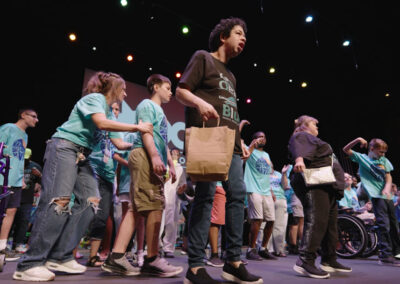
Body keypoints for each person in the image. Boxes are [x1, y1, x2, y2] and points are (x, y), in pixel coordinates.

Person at [13, 71, 153, 281]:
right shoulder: (94, 99)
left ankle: (60, 256)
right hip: (64, 147)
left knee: (91, 202)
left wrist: (143, 141)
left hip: (81, 155)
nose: (125, 94)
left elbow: (120, 144)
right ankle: (29, 263)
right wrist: (136, 126)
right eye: (123, 89)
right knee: (58, 202)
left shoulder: (110, 114)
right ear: (113, 88)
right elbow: (101, 124)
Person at [176, 17, 262, 284]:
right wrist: (200, 104)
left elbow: (231, 112)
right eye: (238, 33)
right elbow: (181, 91)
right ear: (223, 36)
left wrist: (240, 143)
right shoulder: (203, 58)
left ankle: (233, 261)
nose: (243, 38)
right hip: (208, 138)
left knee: (237, 197)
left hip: (231, 143)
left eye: (244, 35)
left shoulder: (232, 75)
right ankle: (195, 266)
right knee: (206, 196)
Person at [102, 74, 183, 278]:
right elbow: (146, 133)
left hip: (152, 156)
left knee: (138, 207)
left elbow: (162, 140)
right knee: (154, 204)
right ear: (155, 87)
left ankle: (118, 256)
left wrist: (170, 165)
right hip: (145, 154)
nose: (170, 91)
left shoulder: (161, 113)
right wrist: (155, 156)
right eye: (167, 87)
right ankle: (151, 259)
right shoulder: (147, 105)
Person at [288, 115, 351, 279]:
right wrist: (299, 160)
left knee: (330, 224)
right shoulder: (301, 135)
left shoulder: (314, 140)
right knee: (316, 221)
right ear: (304, 126)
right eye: (314, 124)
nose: (317, 127)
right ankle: (305, 260)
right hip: (314, 184)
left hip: (327, 185)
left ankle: (329, 259)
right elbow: (298, 147)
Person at [85, 102, 132, 267]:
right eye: (112, 108)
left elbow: (119, 149)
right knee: (84, 212)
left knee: (103, 215)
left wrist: (138, 145)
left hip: (109, 175)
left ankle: (93, 256)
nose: (114, 111)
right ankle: (69, 254)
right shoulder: (98, 123)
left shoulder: (119, 132)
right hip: (91, 169)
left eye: (117, 109)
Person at [343, 137, 400, 265]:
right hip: (375, 195)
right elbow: (346, 149)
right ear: (372, 149)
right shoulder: (362, 158)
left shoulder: (383, 160)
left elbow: (388, 177)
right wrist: (357, 140)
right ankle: (385, 255)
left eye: (384, 152)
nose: (383, 155)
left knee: (393, 224)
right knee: (383, 224)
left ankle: (397, 253)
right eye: (380, 152)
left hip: (387, 195)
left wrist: (386, 188)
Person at [0, 108, 39, 261]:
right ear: (23, 115)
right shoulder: (8, 128)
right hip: (2, 177)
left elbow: (20, 158)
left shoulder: (25, 135)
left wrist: (21, 177)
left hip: (15, 179)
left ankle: (2, 247)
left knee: (11, 212)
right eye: (34, 116)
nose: (36, 120)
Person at [244, 132, 277, 261]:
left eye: (264, 136)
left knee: (271, 219)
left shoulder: (266, 154)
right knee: (257, 219)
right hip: (253, 188)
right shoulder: (249, 149)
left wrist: (271, 190)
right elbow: (243, 157)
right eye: (259, 136)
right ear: (254, 139)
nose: (262, 138)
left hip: (266, 191)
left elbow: (267, 174)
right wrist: (251, 146)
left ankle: (263, 248)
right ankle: (251, 249)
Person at [12, 148, 42, 254]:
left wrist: (39, 176)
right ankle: (5, 242)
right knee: (10, 221)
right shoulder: (15, 163)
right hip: (13, 196)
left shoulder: (35, 166)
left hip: (27, 199)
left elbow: (41, 182)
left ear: (30, 157)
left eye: (26, 159)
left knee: (24, 221)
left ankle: (19, 244)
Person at [160, 148, 187, 258]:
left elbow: (182, 185)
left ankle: (168, 248)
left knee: (171, 224)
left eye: (176, 153)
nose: (174, 154)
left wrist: (182, 189)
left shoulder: (180, 169)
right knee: (159, 224)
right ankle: (156, 246)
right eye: (172, 153)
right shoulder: (162, 166)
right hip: (161, 197)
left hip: (173, 199)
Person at [267, 164, 291, 257]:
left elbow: (285, 186)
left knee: (280, 226)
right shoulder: (263, 174)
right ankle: (266, 249)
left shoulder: (278, 174)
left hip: (280, 199)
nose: (270, 166)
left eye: (271, 164)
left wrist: (284, 174)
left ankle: (279, 250)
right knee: (267, 224)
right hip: (268, 198)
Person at [206, 181, 226, 268]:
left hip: (231, 186)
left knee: (228, 220)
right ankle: (214, 254)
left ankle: (228, 253)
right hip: (216, 184)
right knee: (215, 220)